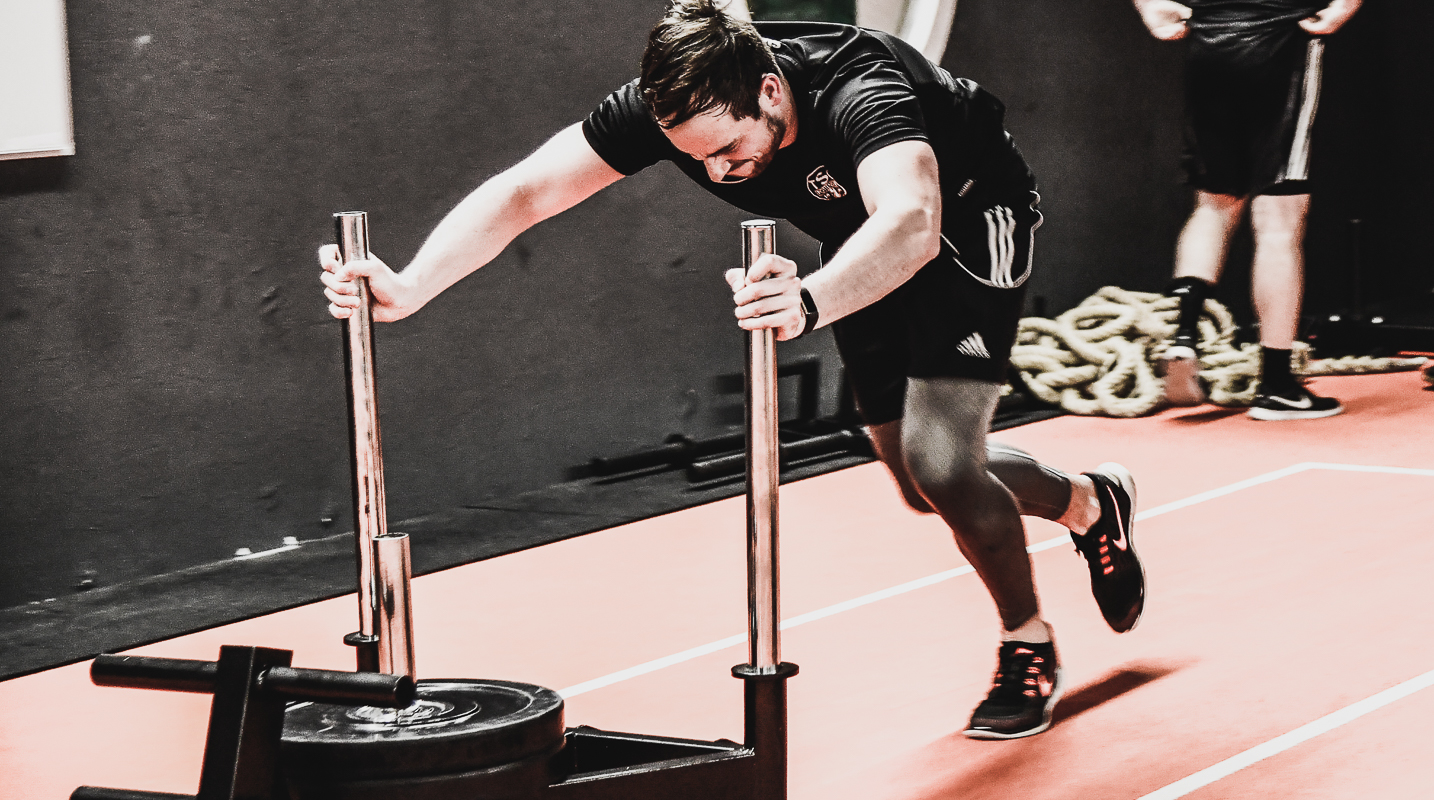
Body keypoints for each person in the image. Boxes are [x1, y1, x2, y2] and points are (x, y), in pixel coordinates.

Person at [319, 0, 1146, 740]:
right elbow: (527, 193)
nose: (719, 173)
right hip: (854, 241)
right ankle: (1087, 502)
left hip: (965, 222)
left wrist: (813, 302)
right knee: (913, 477)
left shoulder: (857, 86)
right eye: (695, 160)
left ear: (771, 94)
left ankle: (1026, 643)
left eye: (728, 149)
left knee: (942, 459)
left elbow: (912, 220)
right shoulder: (673, 105)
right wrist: (413, 285)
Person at [1134, 0, 1362, 419]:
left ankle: (1184, 334)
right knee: (1279, 223)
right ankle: (1277, 386)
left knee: (1213, 204)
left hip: (1210, 41)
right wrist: (1343, 7)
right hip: (1284, 38)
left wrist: (1149, 5)